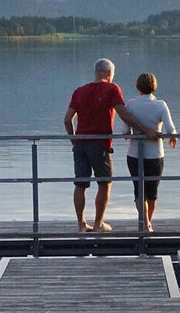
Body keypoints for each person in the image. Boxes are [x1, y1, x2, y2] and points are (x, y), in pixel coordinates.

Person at [63, 58, 155, 232]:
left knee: (80, 184)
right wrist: (145, 130)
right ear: (108, 74)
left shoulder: (79, 91)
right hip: (100, 143)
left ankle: (81, 225)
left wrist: (74, 140)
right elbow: (124, 115)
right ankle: (98, 224)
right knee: (105, 183)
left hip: (80, 143)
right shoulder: (112, 89)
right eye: (112, 75)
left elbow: (67, 119)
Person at [122, 72, 179, 232]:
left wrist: (130, 132)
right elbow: (171, 128)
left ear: (137, 87)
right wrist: (172, 137)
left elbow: (125, 131)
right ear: (154, 86)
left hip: (134, 153)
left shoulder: (130, 104)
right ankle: (147, 223)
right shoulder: (161, 105)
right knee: (152, 190)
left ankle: (145, 223)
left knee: (138, 189)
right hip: (155, 154)